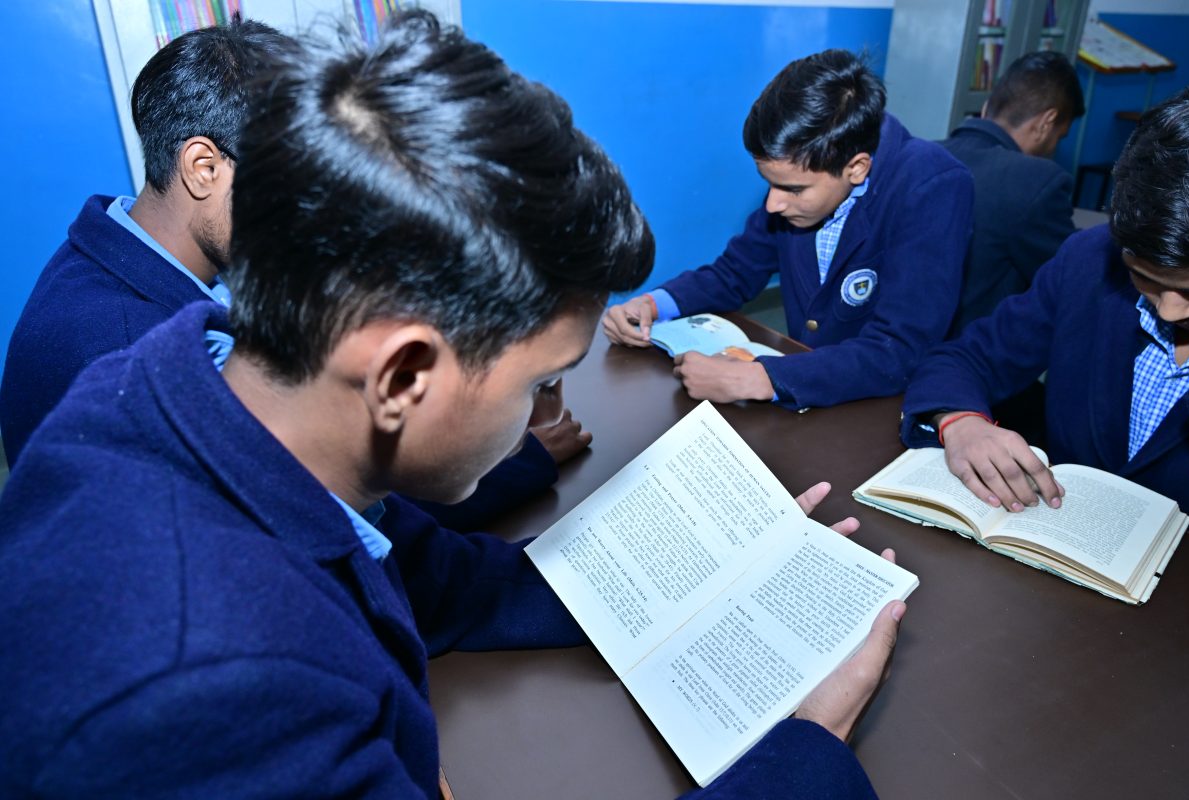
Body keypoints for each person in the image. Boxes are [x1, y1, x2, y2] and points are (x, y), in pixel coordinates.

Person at [0, 13, 906, 797]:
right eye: (538, 382)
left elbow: (433, 577)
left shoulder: (203, 397)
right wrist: (808, 749)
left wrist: (715, 573)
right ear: (403, 379)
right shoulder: (209, 686)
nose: (541, 407)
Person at [0, 19, 583, 530]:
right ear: (203, 168)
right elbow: (318, 513)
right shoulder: (127, 349)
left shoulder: (121, 254)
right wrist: (517, 469)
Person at [603, 49, 972, 410]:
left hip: (887, 405)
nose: (772, 204)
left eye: (792, 189)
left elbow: (900, 348)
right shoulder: (805, 173)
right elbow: (735, 272)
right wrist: (655, 304)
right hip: (812, 389)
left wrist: (761, 378)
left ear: (856, 168)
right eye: (770, 184)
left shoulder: (931, 186)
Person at [900, 82, 1189, 521]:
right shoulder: (1089, 262)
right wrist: (959, 421)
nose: (1172, 311)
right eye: (1146, 279)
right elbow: (967, 357)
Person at [942, 50, 1085, 338]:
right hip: (977, 350)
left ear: (986, 108)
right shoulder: (1036, 180)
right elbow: (1072, 276)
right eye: (1059, 136)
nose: (1054, 148)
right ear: (1046, 122)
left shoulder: (922, 154)